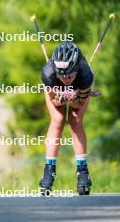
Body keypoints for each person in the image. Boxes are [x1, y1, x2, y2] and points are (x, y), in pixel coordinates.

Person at [39, 41, 93, 195]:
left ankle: (82, 171)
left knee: (75, 121)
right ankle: (49, 170)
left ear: (76, 70)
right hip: (55, 88)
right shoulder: (49, 74)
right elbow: (55, 101)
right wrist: (62, 97)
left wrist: (74, 97)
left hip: (80, 88)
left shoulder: (85, 76)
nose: (66, 79)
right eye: (62, 75)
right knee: (57, 120)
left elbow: (78, 105)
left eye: (69, 75)